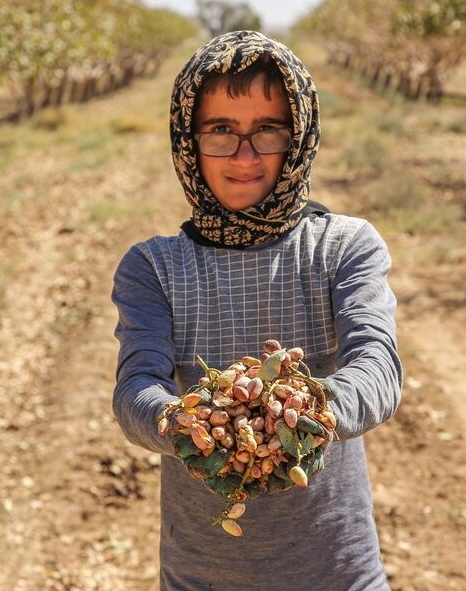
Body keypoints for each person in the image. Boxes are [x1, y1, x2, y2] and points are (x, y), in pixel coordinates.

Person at [111, 30, 401, 590]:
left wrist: (307, 410)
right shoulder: (154, 268)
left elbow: (378, 367)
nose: (244, 156)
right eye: (220, 131)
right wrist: (181, 423)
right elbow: (134, 389)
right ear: (187, 142)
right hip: (202, 576)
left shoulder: (343, 247)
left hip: (339, 572)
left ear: (299, 138)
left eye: (267, 130)